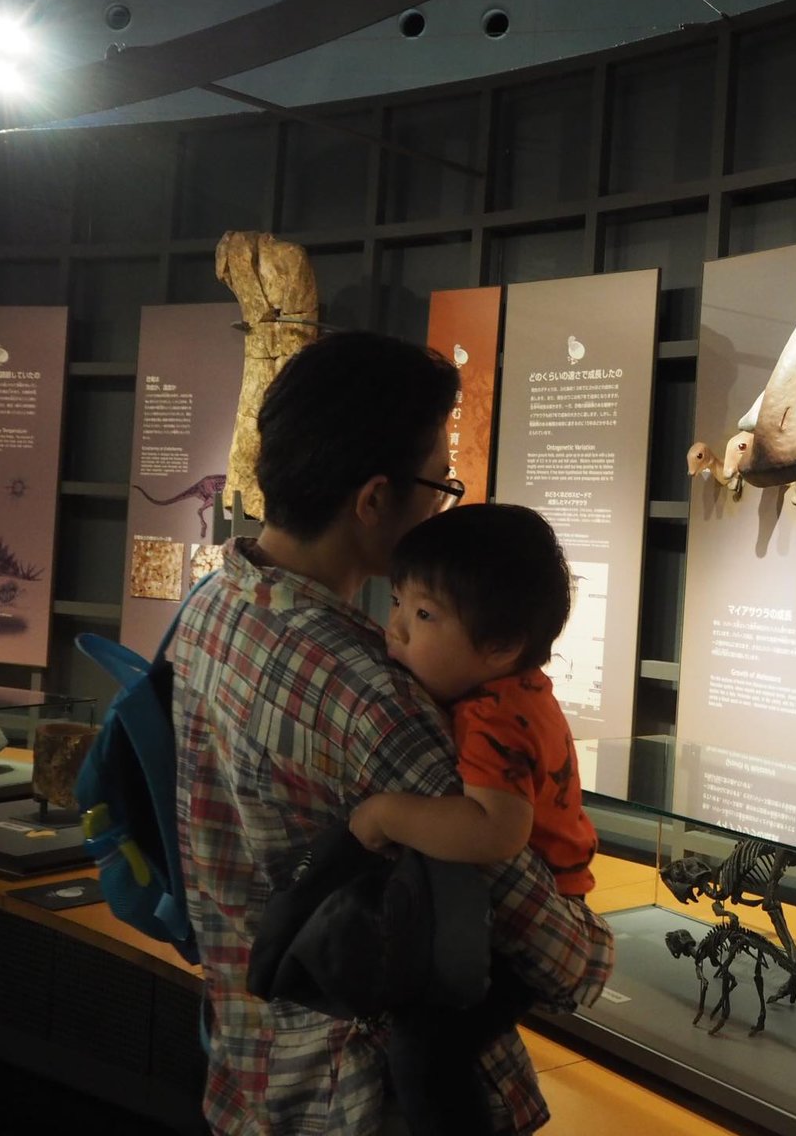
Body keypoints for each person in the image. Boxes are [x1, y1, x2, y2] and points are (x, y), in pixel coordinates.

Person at [170, 331, 613, 1136]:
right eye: (438, 480)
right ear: (374, 499)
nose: (445, 495)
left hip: (248, 1062)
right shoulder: (371, 695)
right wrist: (594, 946)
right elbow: (557, 954)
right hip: (360, 1097)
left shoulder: (212, 603)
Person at [347, 502, 601, 1136]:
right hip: (541, 905)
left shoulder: (493, 716)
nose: (397, 628)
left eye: (425, 615)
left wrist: (388, 814)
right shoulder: (508, 689)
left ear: (500, 647)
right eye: (399, 602)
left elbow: (496, 830)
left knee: (425, 1048)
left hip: (538, 928)